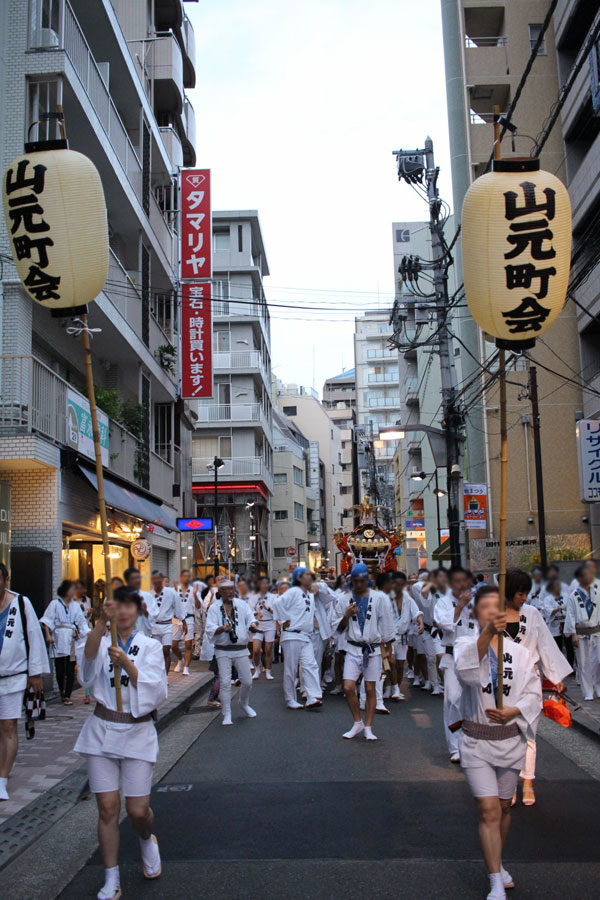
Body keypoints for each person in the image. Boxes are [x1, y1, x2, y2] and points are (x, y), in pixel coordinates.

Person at [75, 586, 168, 900]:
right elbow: (86, 670)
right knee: (107, 808)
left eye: (129, 606)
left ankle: (146, 839)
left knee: (138, 810)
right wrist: (101, 623)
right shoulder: (103, 642)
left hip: (137, 732)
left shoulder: (150, 646)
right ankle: (111, 877)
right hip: (101, 730)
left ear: (138, 610)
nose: (124, 612)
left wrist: (127, 664)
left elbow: (158, 691)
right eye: (118, 606)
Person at [455, 585, 541, 900]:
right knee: (488, 809)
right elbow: (465, 674)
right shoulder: (465, 645)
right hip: (476, 742)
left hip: (510, 741)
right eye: (485, 607)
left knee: (504, 807)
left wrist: (514, 710)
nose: (492, 612)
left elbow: (533, 693)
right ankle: (494, 880)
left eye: (497, 607)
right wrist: (487, 634)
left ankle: (498, 861)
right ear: (475, 613)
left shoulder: (520, 653)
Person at [503, 569, 572, 807]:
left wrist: (554, 676)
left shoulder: (532, 614)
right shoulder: (494, 613)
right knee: (507, 735)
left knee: (529, 732)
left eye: (526, 593)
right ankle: (510, 782)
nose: (524, 598)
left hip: (529, 680)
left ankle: (528, 782)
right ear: (509, 591)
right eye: (520, 593)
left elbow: (545, 643)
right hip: (504, 682)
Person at [0, 562, 49, 801]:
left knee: (8, 726)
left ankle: (2, 779)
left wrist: (35, 673)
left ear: (5, 580)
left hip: (13, 677)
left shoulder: (21, 603)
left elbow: (33, 636)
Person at [333, 562, 395, 741]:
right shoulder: (344, 599)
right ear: (351, 580)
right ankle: (357, 721)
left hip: (372, 649)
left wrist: (388, 647)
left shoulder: (379, 598)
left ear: (367, 579)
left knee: (370, 688)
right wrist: (346, 616)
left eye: (362, 580)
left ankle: (368, 726)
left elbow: (387, 624)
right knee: (348, 687)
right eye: (355, 581)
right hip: (353, 648)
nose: (359, 584)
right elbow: (337, 628)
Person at [434, 565, 478, 763]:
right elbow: (444, 624)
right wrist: (459, 606)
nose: (461, 585)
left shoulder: (477, 602)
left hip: (474, 658)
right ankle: (455, 747)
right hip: (453, 657)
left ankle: (473, 742)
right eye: (457, 581)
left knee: (475, 701)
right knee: (453, 700)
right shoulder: (443, 603)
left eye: (464, 581)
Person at [205, 580, 259, 725]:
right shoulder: (214, 608)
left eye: (231, 589)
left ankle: (244, 703)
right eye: (227, 590)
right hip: (223, 650)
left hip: (241, 649)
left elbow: (250, 618)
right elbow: (209, 627)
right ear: (220, 592)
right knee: (225, 683)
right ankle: (227, 714)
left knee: (247, 681)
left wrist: (253, 625)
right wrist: (221, 628)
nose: (230, 592)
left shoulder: (241, 605)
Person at [273, 567, 323, 710]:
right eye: (306, 575)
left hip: (306, 635)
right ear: (299, 578)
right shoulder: (293, 591)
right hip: (292, 634)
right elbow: (277, 604)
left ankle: (312, 696)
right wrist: (284, 619)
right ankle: (290, 699)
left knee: (310, 664)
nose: (309, 577)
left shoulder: (310, 595)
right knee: (291, 669)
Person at [41, 580, 89, 705]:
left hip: (71, 639)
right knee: (60, 669)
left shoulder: (76, 606)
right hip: (58, 637)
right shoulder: (55, 604)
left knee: (70, 668)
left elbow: (81, 622)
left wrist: (88, 633)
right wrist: (48, 635)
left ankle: (68, 695)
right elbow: (46, 621)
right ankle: (61, 690)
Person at [564, 560, 600, 701]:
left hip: (596, 631)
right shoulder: (574, 595)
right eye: (586, 575)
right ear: (579, 578)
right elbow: (570, 615)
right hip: (581, 633)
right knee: (584, 664)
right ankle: (588, 692)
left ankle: (598, 687)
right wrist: (573, 634)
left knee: (597, 662)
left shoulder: (596, 592)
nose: (589, 577)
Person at [391, 572, 424, 700]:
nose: (399, 587)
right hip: (389, 636)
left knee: (400, 664)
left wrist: (421, 623)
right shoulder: (386, 597)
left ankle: (397, 688)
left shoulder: (408, 599)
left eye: (401, 585)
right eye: (396, 584)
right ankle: (393, 688)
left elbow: (416, 612)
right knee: (391, 662)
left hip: (403, 635)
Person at [149, 570, 183, 673]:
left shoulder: (171, 592)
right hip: (155, 626)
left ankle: (165, 676)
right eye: (154, 579)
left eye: (158, 579)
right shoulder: (149, 594)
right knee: (157, 652)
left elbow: (178, 607)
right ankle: (158, 673)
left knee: (166, 650)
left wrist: (183, 621)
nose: (156, 581)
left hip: (167, 625)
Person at [249, 576, 277, 680]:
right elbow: (249, 611)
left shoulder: (273, 597)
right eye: (262, 584)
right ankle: (257, 669)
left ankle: (268, 671)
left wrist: (268, 609)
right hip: (258, 624)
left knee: (268, 649)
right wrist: (256, 613)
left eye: (266, 584)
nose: (264, 586)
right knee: (256, 650)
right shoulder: (254, 597)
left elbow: (277, 611)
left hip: (270, 624)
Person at [172, 569, 198, 676]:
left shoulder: (193, 590)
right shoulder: (175, 589)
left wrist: (195, 595)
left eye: (188, 576)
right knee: (173, 645)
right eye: (184, 576)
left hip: (189, 618)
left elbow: (199, 606)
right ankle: (180, 659)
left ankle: (186, 668)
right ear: (181, 577)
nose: (186, 578)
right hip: (176, 619)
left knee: (188, 645)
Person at [542, 577, 572, 662]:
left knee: (569, 646)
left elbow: (571, 607)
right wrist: (559, 608)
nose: (558, 587)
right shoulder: (548, 599)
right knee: (557, 647)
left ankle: (570, 665)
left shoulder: (566, 595)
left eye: (559, 585)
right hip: (555, 624)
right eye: (556, 585)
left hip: (566, 622)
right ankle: (559, 665)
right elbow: (548, 611)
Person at [124, 567, 157, 637]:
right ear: (127, 580)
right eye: (133, 578)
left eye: (138, 578)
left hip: (142, 635)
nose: (137, 581)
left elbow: (154, 614)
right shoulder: (121, 597)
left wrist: (145, 611)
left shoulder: (147, 596)